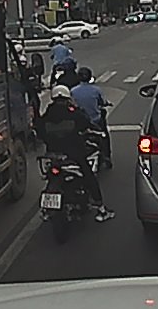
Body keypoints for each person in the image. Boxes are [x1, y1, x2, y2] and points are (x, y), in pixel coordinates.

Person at [38, 85, 115, 222]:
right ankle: (101, 208)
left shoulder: (46, 116)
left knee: (50, 178)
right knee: (89, 176)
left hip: (53, 154)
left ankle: (46, 210)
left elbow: (40, 132)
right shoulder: (73, 113)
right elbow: (86, 122)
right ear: (68, 98)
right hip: (74, 153)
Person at [70, 67, 113, 171]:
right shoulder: (96, 90)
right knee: (104, 135)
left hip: (79, 122)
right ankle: (107, 156)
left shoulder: (73, 91)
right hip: (95, 120)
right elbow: (102, 102)